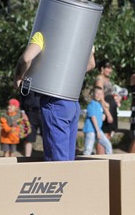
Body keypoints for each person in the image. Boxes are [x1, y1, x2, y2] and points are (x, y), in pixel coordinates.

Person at [13, 32, 96, 161]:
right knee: (68, 158)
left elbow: (26, 58)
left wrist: (19, 76)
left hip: (55, 102)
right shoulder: (83, 31)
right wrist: (67, 74)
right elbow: (91, 64)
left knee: (57, 161)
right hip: (73, 102)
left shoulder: (44, 31)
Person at [94, 60, 119, 154]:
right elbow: (100, 96)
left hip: (111, 108)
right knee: (102, 135)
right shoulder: (100, 79)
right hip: (104, 109)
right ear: (102, 68)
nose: (110, 70)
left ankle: (105, 156)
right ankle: (101, 159)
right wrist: (107, 113)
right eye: (108, 67)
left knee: (108, 133)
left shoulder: (107, 79)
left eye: (110, 68)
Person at [83, 85, 113, 155]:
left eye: (100, 94)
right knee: (88, 149)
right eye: (97, 93)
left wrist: (104, 115)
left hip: (98, 130)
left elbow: (101, 117)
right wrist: (98, 131)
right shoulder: (91, 105)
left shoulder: (99, 105)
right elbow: (93, 118)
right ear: (93, 94)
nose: (98, 95)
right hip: (91, 130)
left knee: (108, 145)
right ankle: (83, 164)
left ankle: (110, 162)